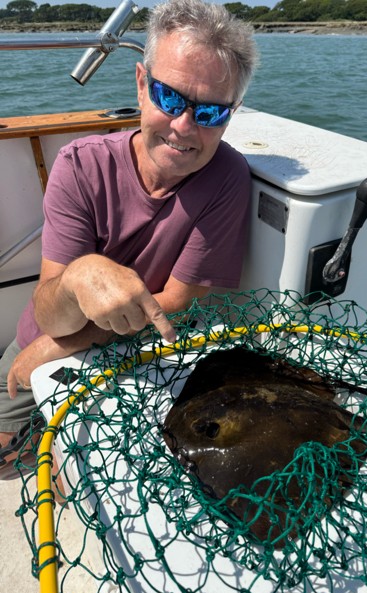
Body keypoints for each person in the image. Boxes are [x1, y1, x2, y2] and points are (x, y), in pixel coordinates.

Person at [0, 0, 258, 474]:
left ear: (231, 113)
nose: (184, 127)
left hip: (131, 351)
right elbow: (48, 314)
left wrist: (62, 347)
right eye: (170, 98)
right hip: (39, 340)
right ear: (142, 84)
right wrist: (78, 278)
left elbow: (175, 304)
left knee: (81, 472)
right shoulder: (79, 165)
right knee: (5, 459)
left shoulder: (227, 176)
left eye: (209, 112)